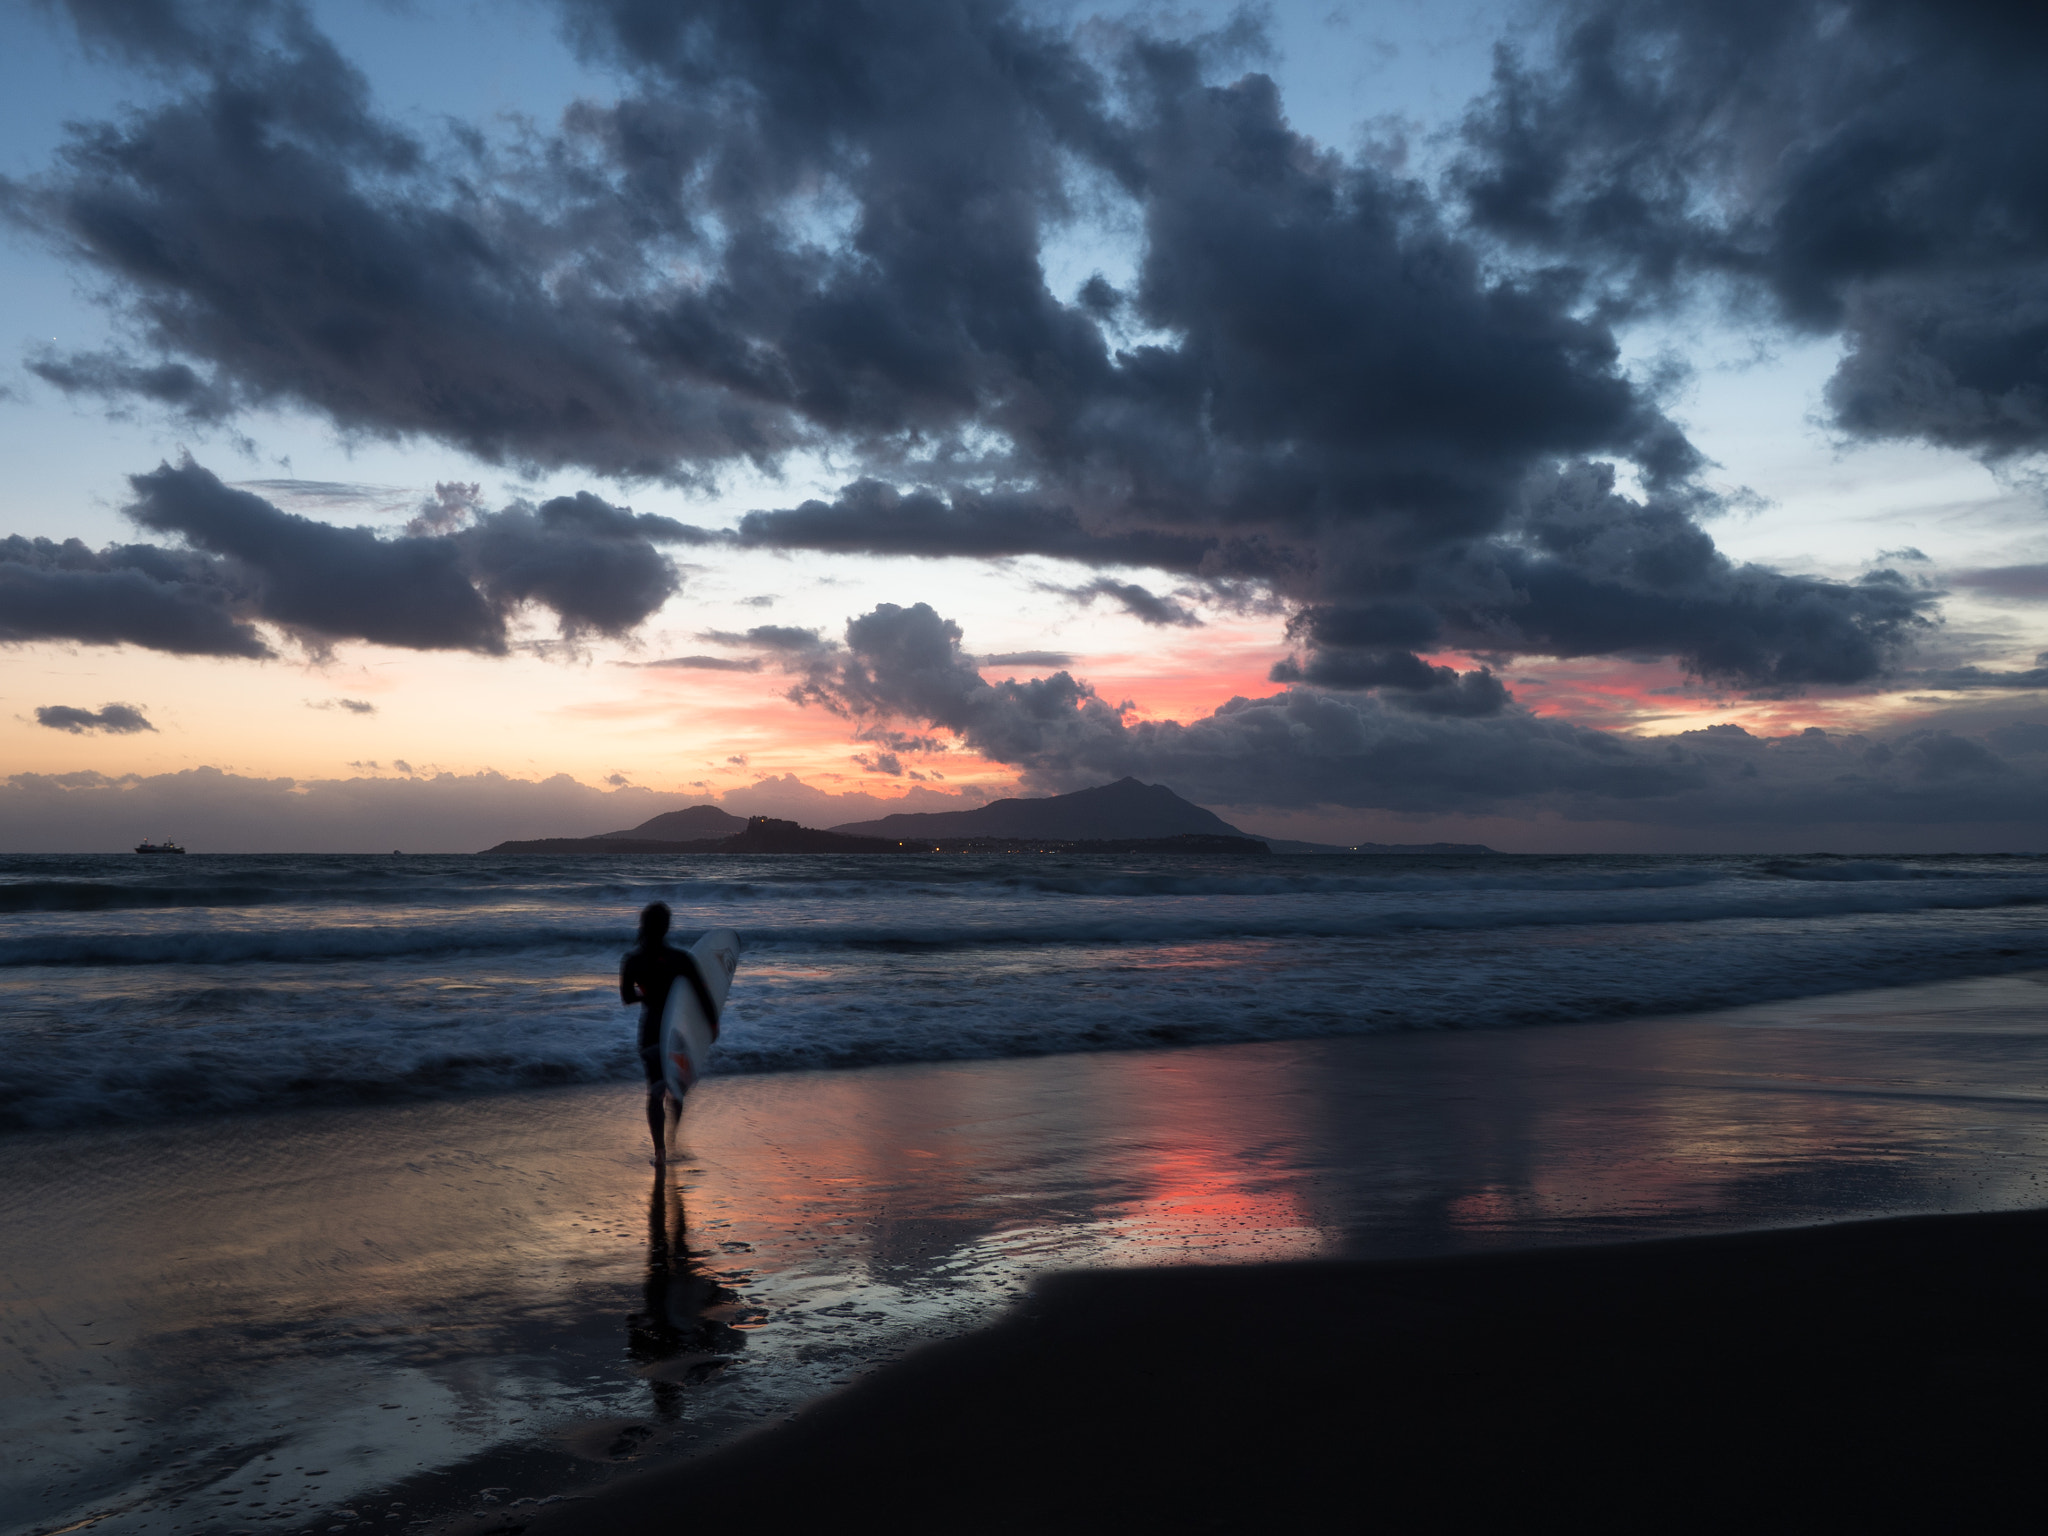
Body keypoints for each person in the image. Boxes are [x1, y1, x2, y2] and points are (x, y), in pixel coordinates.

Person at [620, 902, 716, 1166]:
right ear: (667, 927)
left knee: (655, 1091)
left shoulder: (633, 960)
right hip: (677, 1034)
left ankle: (660, 1151)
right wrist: (712, 1026)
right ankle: (672, 1139)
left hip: (650, 1033)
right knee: (676, 1087)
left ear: (643, 926)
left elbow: (627, 997)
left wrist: (647, 993)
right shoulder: (682, 959)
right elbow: (702, 993)